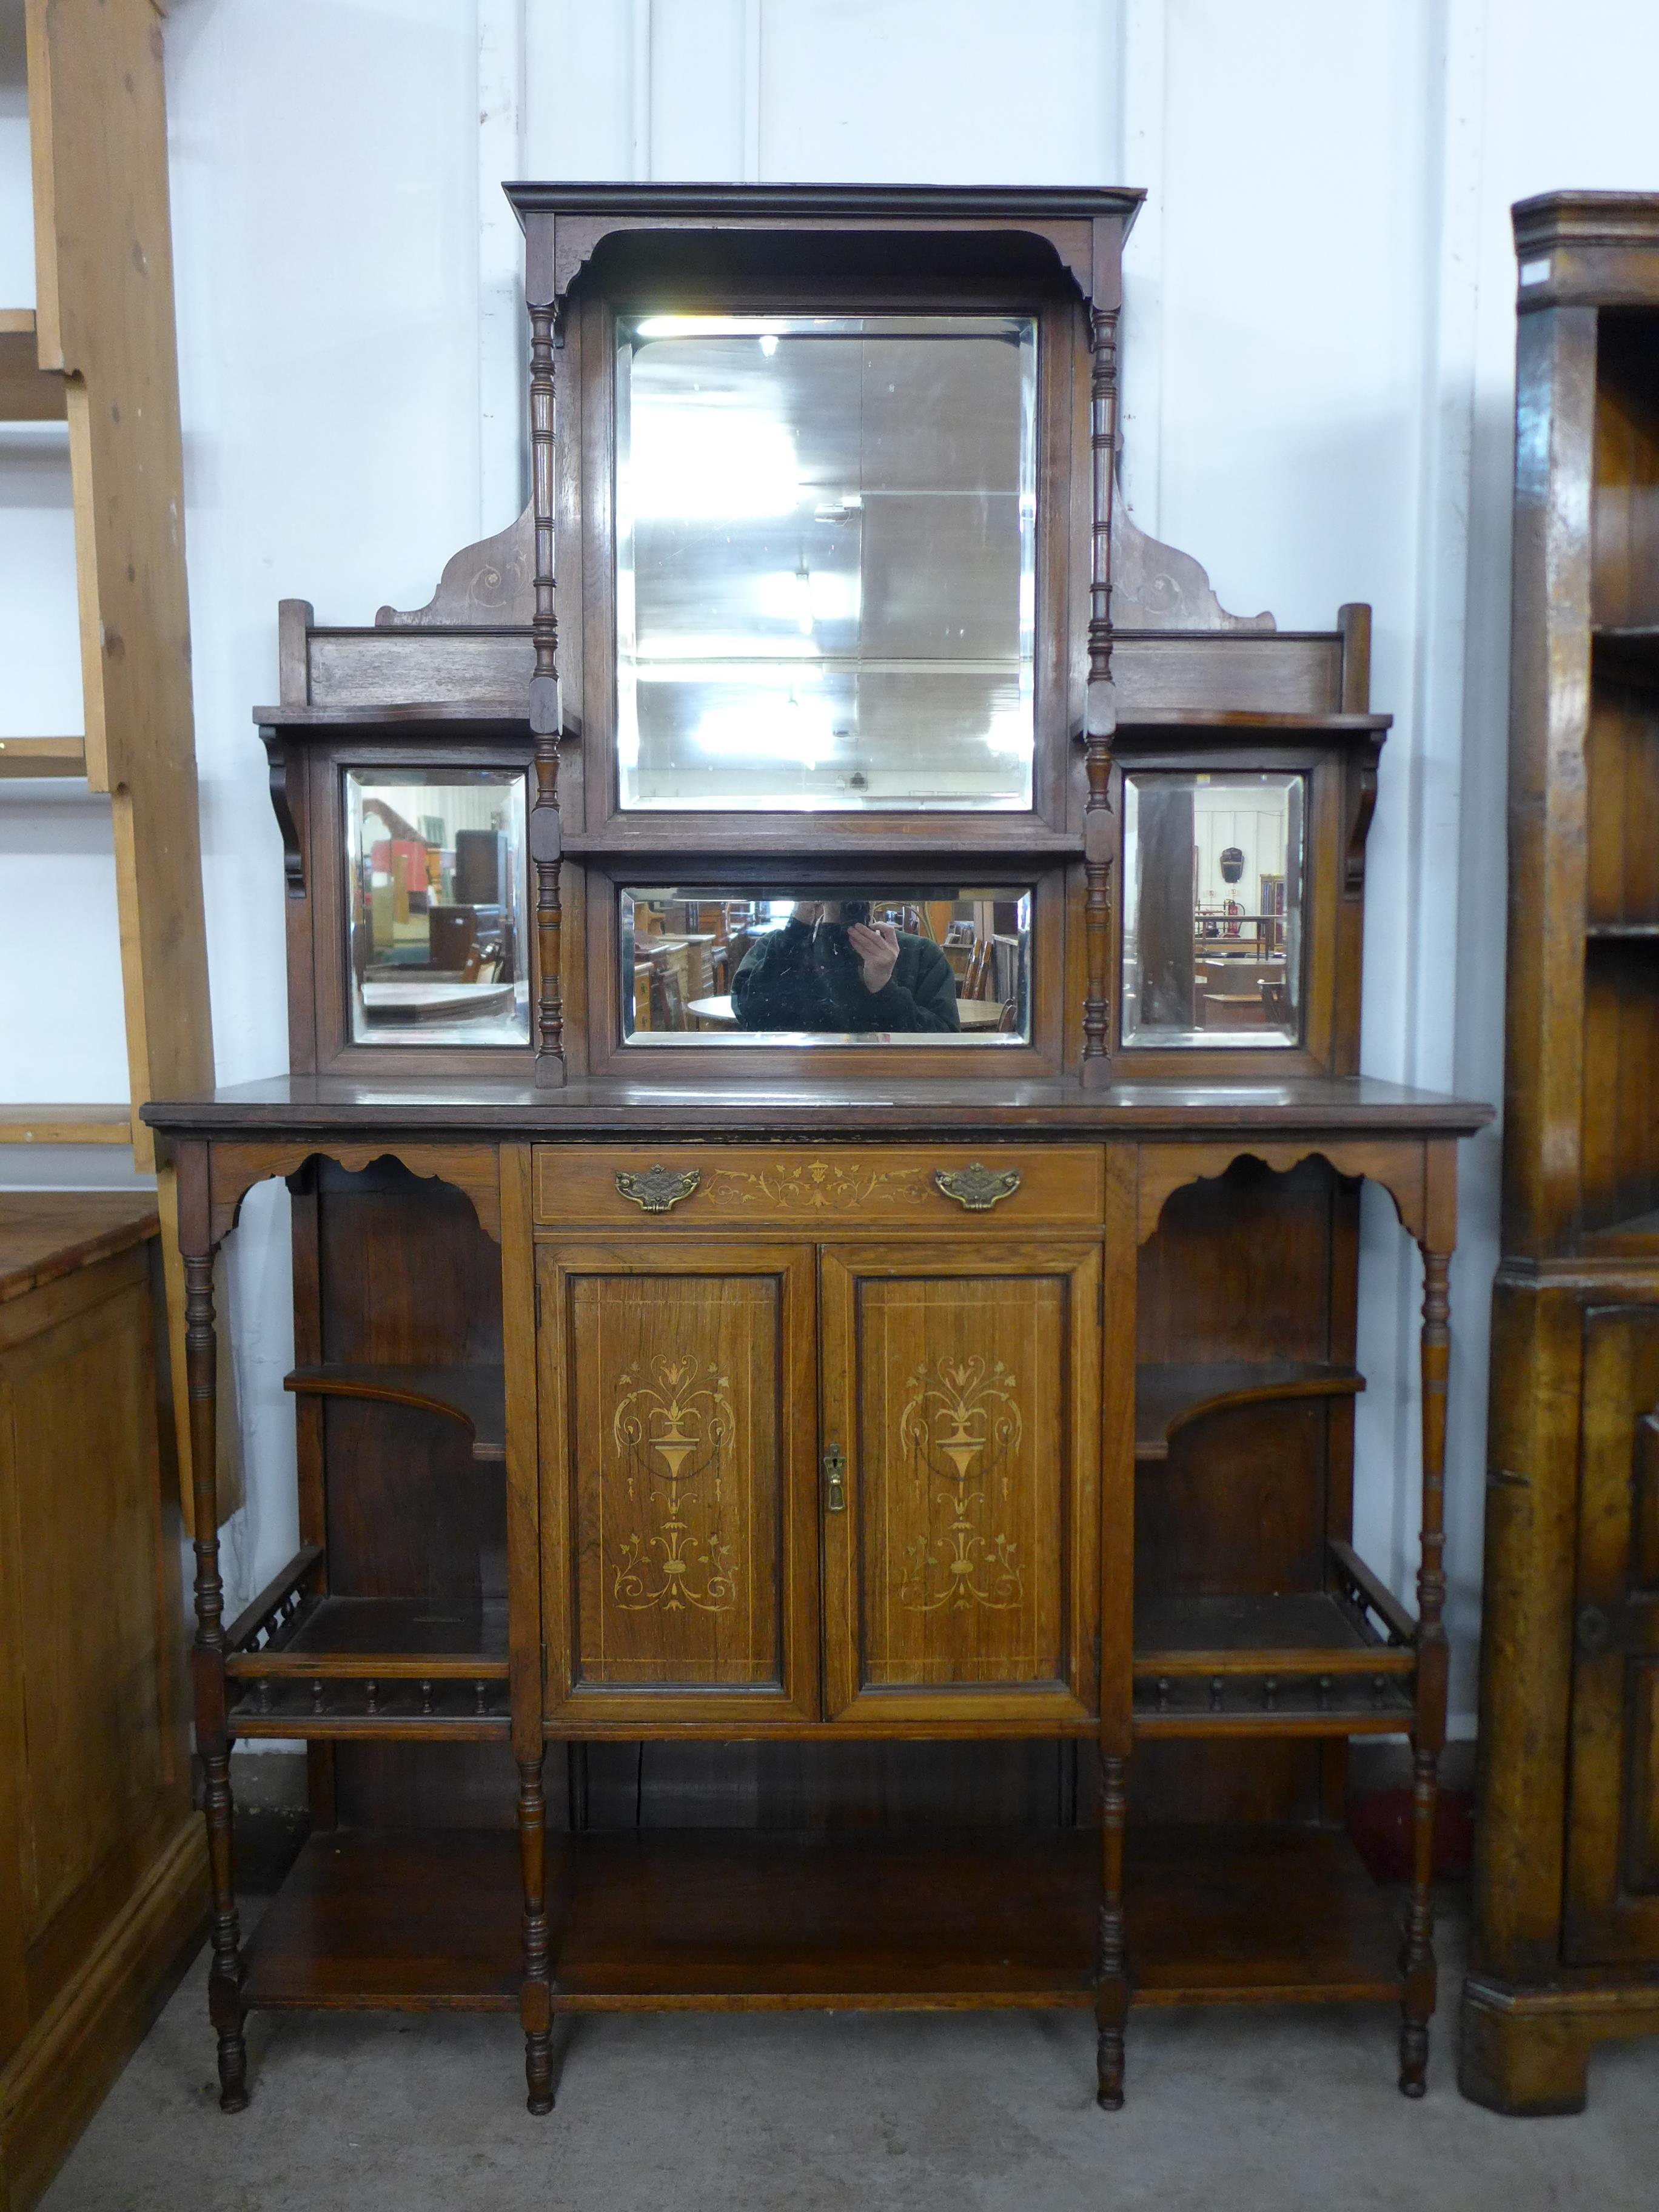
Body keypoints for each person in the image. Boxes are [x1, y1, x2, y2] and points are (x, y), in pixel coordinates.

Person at [730, 901, 961, 1034]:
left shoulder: (921, 954)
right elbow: (752, 1017)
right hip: (798, 1089)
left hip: (890, 1093)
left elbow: (947, 1045)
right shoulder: (780, 946)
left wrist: (883, 989)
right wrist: (795, 930)